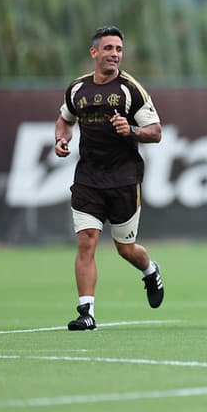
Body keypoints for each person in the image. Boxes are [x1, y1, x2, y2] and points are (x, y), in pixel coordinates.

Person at [54, 26, 164, 331]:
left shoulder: (131, 90)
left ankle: (150, 270)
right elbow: (65, 119)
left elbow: (155, 131)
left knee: (125, 249)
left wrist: (132, 130)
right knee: (86, 242)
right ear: (94, 52)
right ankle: (86, 312)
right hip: (88, 178)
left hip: (124, 179)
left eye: (118, 49)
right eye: (108, 48)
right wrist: (61, 140)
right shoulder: (77, 89)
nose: (114, 54)